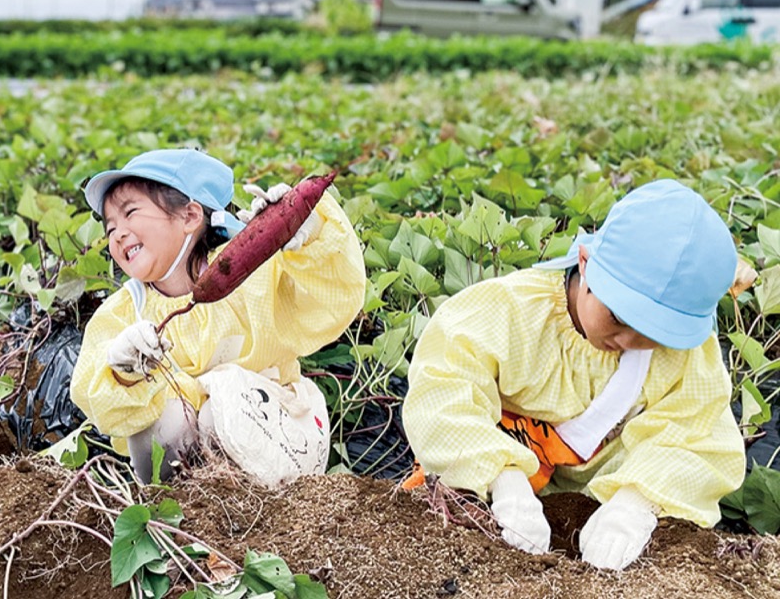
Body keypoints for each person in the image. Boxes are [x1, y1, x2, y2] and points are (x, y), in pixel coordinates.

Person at [402, 179, 745, 570]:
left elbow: (699, 435)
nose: (628, 341)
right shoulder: (506, 310)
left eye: (654, 333)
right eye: (618, 318)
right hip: (496, 477)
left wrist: (634, 504)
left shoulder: (687, 357)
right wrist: (503, 480)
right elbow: (443, 390)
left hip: (597, 496)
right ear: (585, 262)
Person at [70, 149, 366, 485]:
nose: (118, 234)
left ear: (190, 215)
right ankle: (177, 501)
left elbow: (331, 300)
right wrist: (124, 372)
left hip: (281, 438)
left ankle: (257, 505)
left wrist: (309, 236)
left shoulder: (250, 272)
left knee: (218, 411)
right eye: (110, 228)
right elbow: (98, 400)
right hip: (192, 462)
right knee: (161, 421)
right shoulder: (126, 311)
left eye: (130, 213)